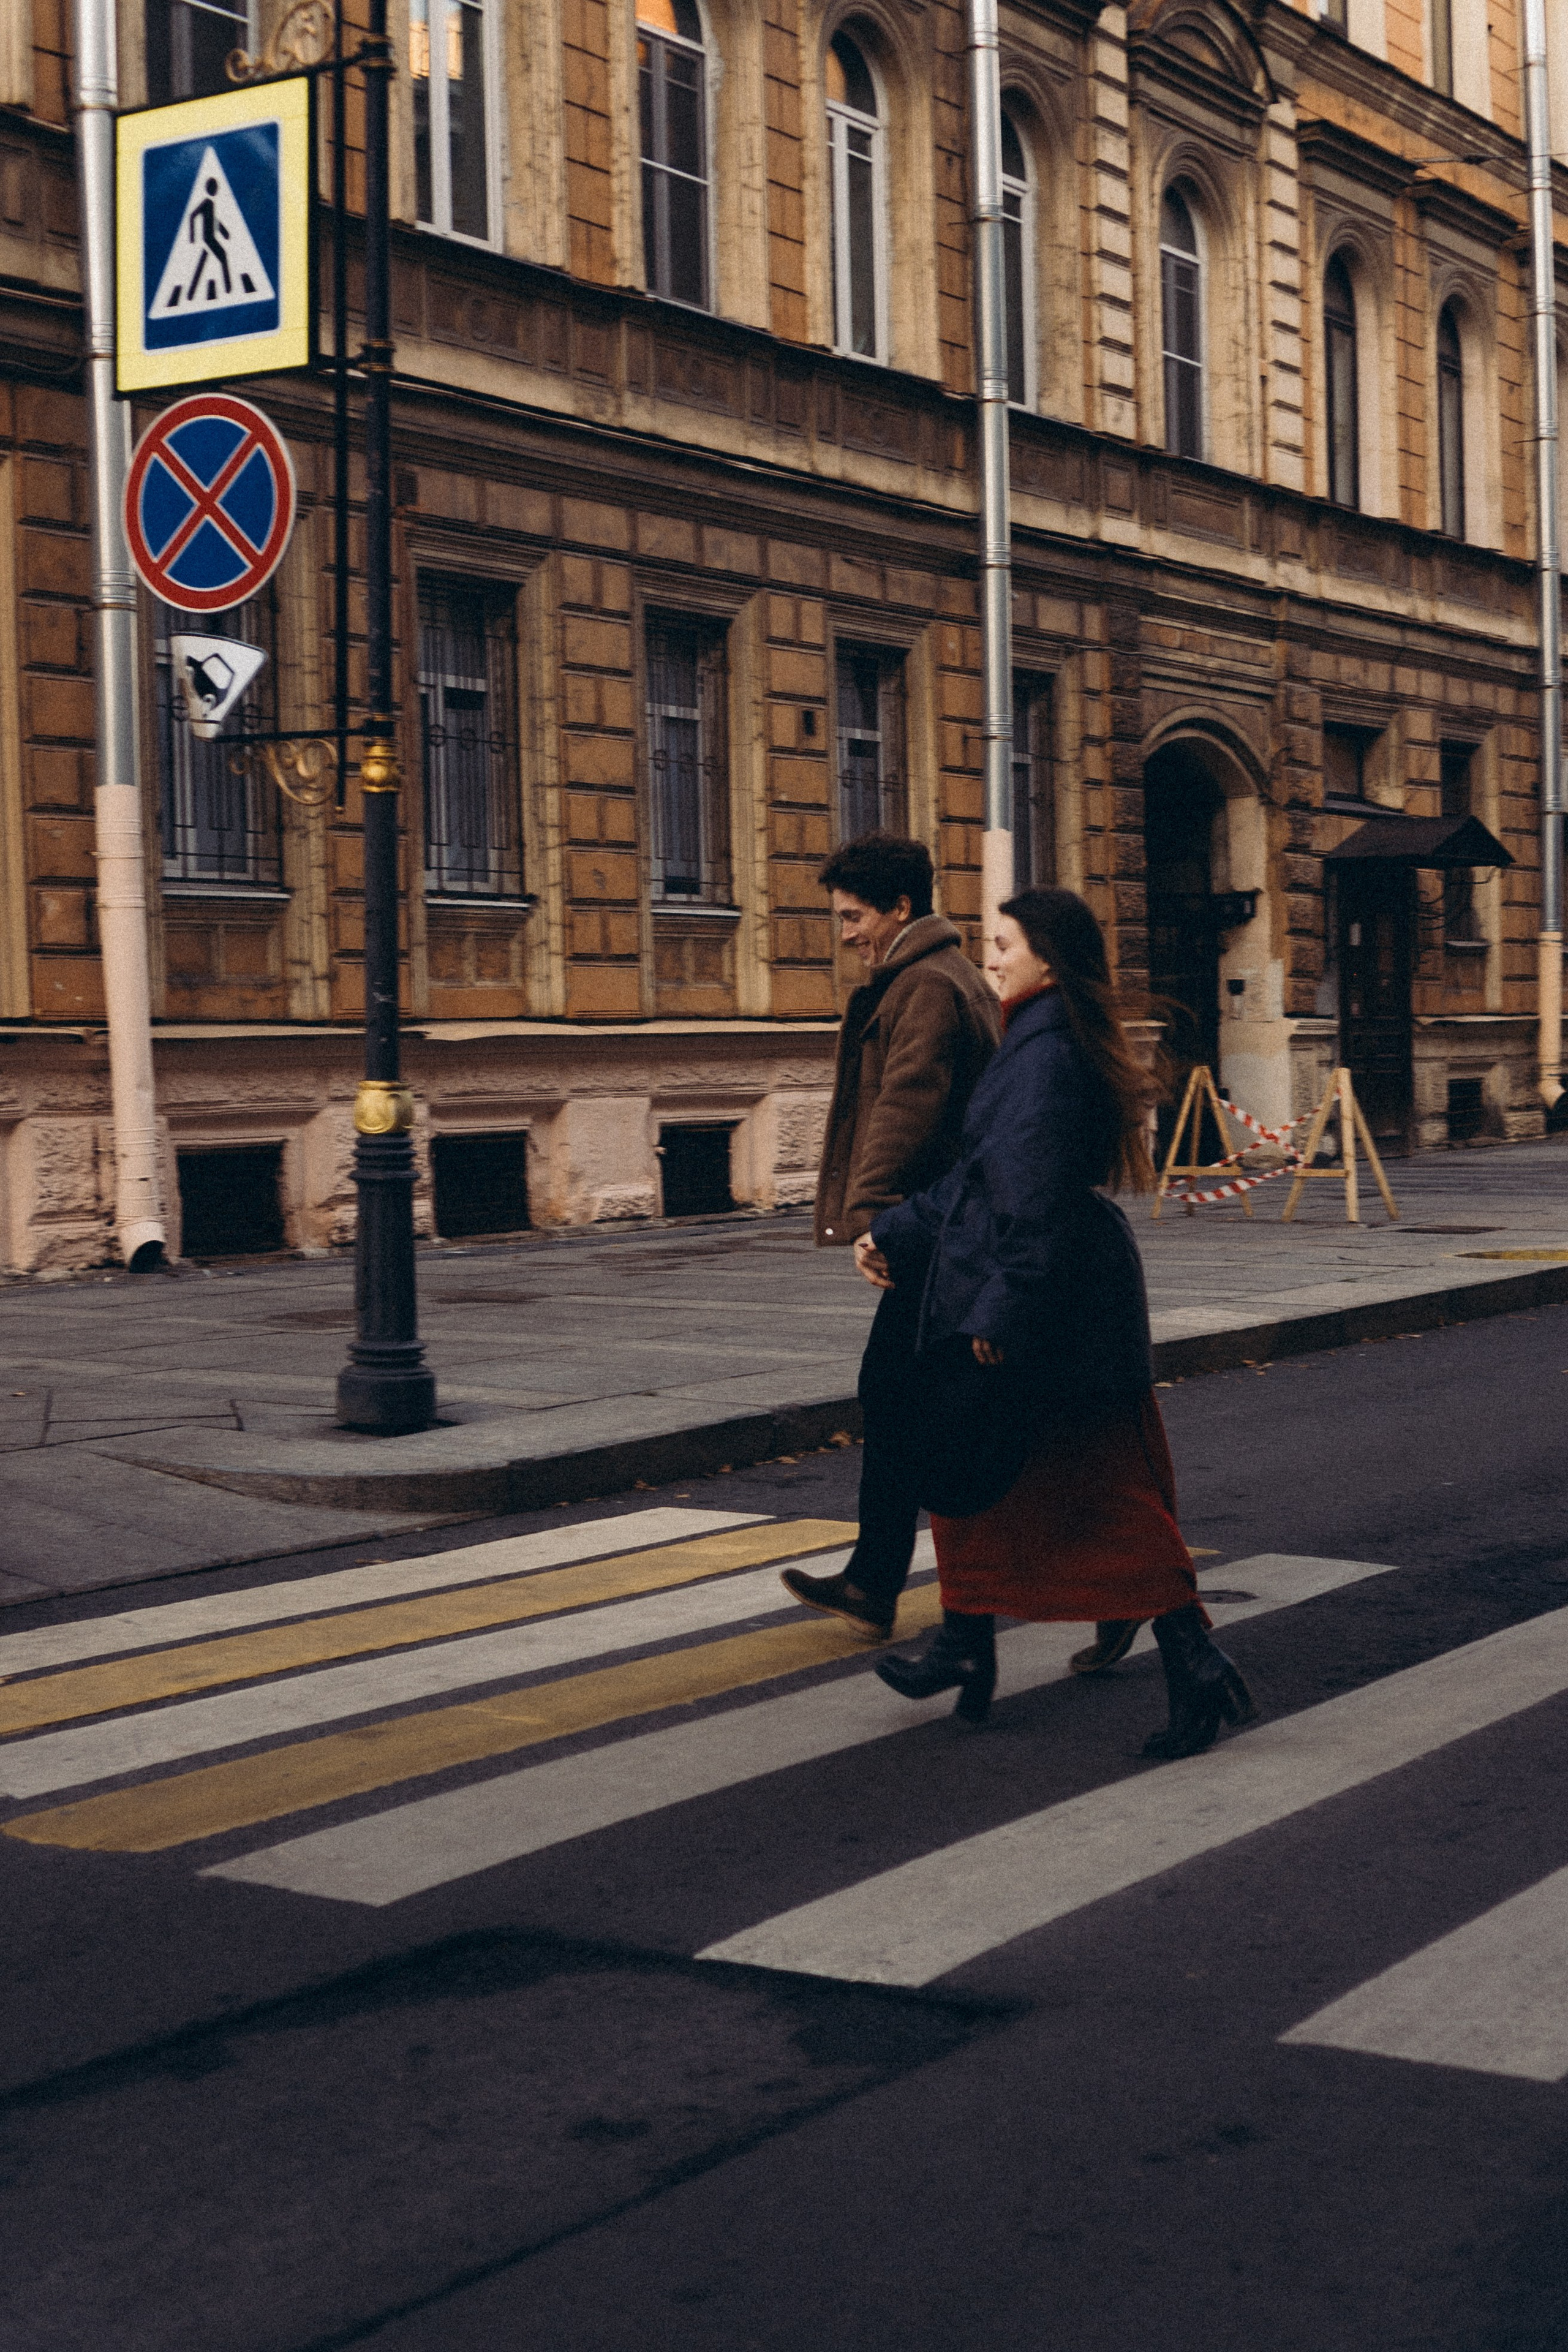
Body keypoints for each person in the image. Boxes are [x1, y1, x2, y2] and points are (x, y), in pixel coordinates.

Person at [859, 886, 1258, 1759]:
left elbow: (1027, 1201)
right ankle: (966, 1645)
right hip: (1052, 1296)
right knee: (974, 1479)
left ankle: (1190, 1659)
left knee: (1098, 1493)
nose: (990, 957)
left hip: (1052, 1310)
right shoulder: (1037, 1036)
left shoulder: (1041, 1054)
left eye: (1003, 943)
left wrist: (996, 1318)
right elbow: (983, 1178)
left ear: (1047, 954)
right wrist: (891, 1228)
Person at [781, 832, 1001, 1641]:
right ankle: (879, 1578)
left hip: (933, 1229)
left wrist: (872, 1220)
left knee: (910, 1398)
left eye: (853, 917)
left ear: (900, 908)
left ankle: (895, 1584)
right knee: (912, 1398)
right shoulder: (941, 975)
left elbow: (907, 1104)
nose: (844, 934)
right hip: (948, 1227)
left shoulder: (925, 986)